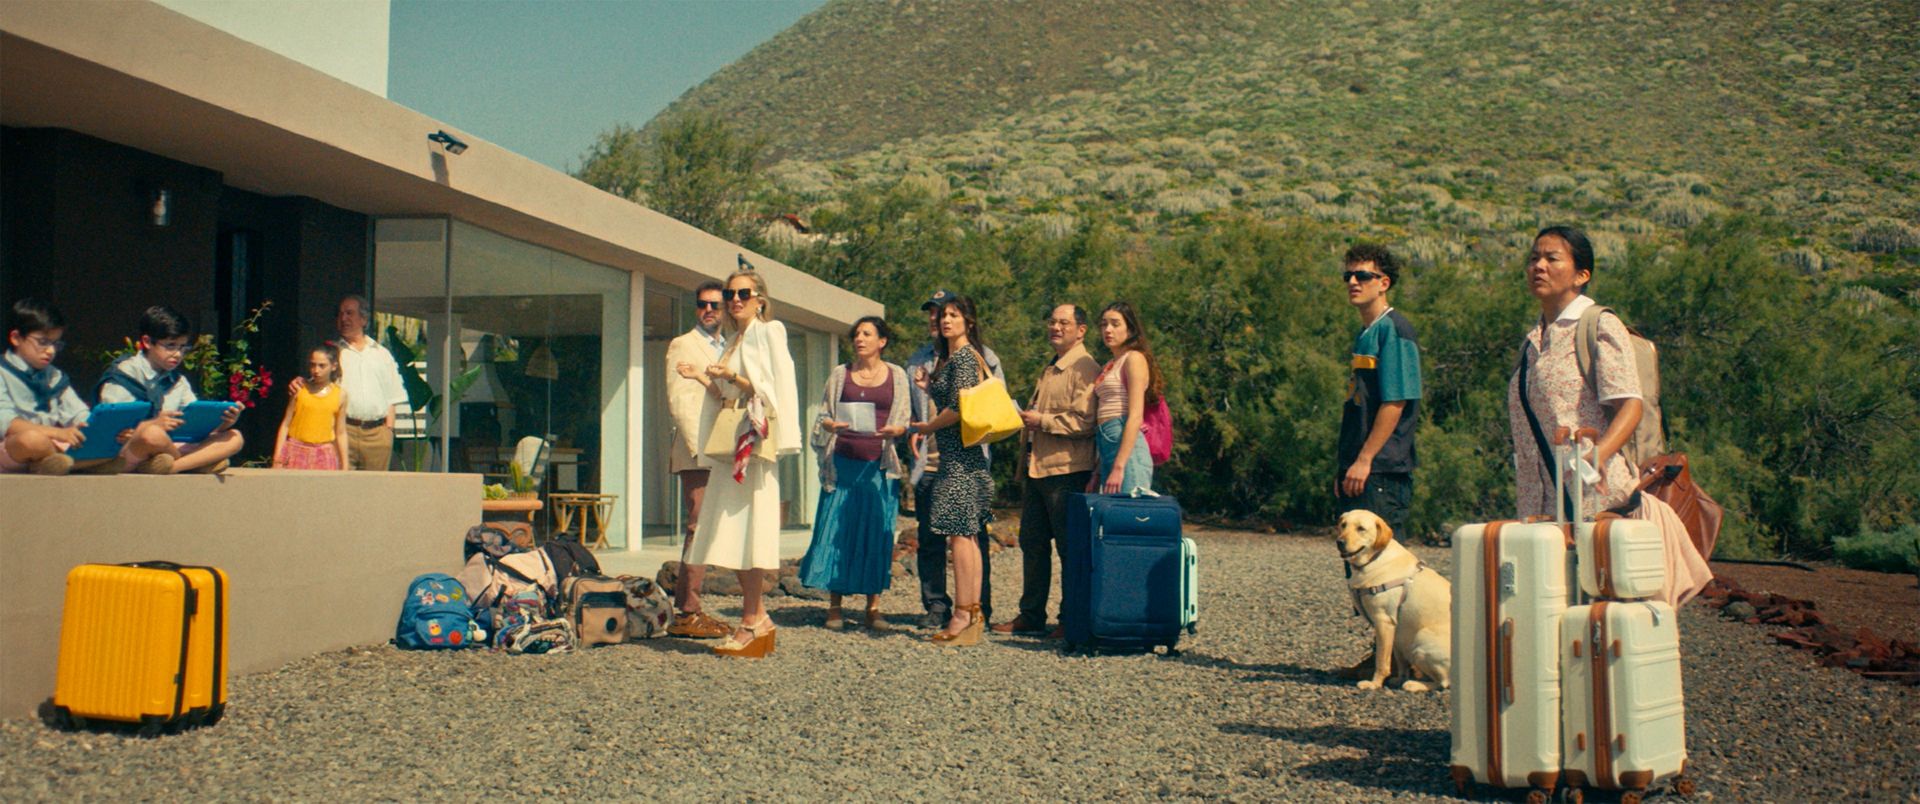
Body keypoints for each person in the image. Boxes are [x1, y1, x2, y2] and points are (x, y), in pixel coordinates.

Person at [684, 268, 800, 658]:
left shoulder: (769, 332)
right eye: (730, 294)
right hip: (731, 442)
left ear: (760, 299)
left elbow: (775, 389)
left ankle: (751, 620)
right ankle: (758, 618)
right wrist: (707, 378)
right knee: (727, 531)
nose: (735, 300)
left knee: (749, 530)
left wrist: (733, 376)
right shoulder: (734, 339)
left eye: (743, 294)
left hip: (752, 442)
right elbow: (727, 393)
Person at [1508, 225, 1643, 519]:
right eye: (1533, 258)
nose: (1538, 266)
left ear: (1581, 276)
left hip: (1596, 501)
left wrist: (1599, 454)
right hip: (1542, 507)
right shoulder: (1532, 343)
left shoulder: (1598, 326)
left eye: (1552, 258)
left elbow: (1630, 405)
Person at [798, 315, 911, 630]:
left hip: (878, 467)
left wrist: (897, 430)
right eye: (857, 334)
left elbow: (904, 418)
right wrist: (830, 424)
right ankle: (834, 607)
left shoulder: (896, 375)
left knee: (875, 533)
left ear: (882, 341)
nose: (859, 339)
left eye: (867, 334)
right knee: (837, 532)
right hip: (842, 467)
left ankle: (873, 608)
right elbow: (823, 414)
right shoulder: (840, 374)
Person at [993, 304, 1099, 638]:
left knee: (1069, 548)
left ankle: (1071, 618)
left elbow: (1085, 421)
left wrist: (1042, 421)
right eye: (1052, 321)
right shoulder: (1052, 366)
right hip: (1037, 469)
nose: (1055, 327)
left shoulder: (1085, 368)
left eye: (1064, 323)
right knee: (1033, 543)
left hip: (1067, 470)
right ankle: (1031, 615)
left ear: (1081, 330)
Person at [904, 289, 1002, 630]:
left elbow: (960, 408)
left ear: (968, 322)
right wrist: (929, 388)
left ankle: (962, 616)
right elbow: (958, 399)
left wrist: (927, 426)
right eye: (942, 315)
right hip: (961, 459)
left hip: (958, 461)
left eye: (953, 315)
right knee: (968, 536)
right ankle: (971, 615)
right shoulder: (961, 358)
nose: (944, 320)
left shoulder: (963, 358)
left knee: (962, 538)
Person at [1, 299, 170, 475]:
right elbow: (7, 423)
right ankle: (82, 464)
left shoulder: (54, 376)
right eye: (43, 342)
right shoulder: (2, 372)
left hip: (52, 445)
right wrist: (57, 433)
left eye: (56, 344)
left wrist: (101, 430)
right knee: (32, 439)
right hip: (12, 447)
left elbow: (79, 414)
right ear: (16, 338)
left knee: (108, 442)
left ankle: (54, 463)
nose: (51, 351)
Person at [1334, 245, 1423, 535]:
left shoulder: (1394, 330)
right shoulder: (1365, 333)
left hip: (1381, 471)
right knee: (1355, 558)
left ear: (1384, 283)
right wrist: (1346, 465)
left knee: (1382, 560)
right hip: (1359, 470)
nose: (1352, 282)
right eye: (1348, 276)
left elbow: (1395, 403)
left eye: (1362, 276)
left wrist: (1365, 460)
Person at [96, 305, 245, 474]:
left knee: (234, 437)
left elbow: (194, 425)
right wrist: (152, 424)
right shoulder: (123, 375)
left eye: (183, 347)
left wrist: (224, 421)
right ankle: (196, 464)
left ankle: (172, 466)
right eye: (170, 346)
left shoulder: (177, 380)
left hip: (170, 447)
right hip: (131, 451)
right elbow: (113, 429)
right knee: (153, 434)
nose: (178, 354)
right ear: (147, 342)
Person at [663, 281, 732, 640]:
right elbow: (680, 403)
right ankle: (688, 611)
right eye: (702, 304)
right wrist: (699, 450)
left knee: (711, 527)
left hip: (725, 449)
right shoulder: (683, 345)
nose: (708, 310)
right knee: (698, 526)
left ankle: (686, 608)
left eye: (715, 305)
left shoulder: (730, 347)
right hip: (698, 451)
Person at [325, 295, 406, 471]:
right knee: (340, 486)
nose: (343, 318)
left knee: (374, 487)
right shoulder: (331, 352)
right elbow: (317, 384)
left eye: (349, 313)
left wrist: (388, 431)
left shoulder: (381, 354)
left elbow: (392, 396)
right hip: (342, 432)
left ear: (364, 319)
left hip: (377, 437)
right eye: (340, 314)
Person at [1090, 301, 1162, 495]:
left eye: (1115, 324)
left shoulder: (1134, 358)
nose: (1108, 330)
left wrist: (1119, 466)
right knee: (1113, 511)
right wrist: (1098, 471)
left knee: (1131, 509)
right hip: (1106, 445)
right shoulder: (1110, 364)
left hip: (1127, 449)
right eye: (1104, 324)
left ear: (1130, 330)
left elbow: (1135, 416)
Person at [271, 344, 350, 470]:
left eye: (322, 366)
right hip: (296, 450)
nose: (316, 370)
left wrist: (345, 464)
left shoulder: (340, 394)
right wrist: (278, 457)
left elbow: (340, 432)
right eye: (313, 365)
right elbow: (286, 424)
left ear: (334, 366)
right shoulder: (299, 389)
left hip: (324, 453)